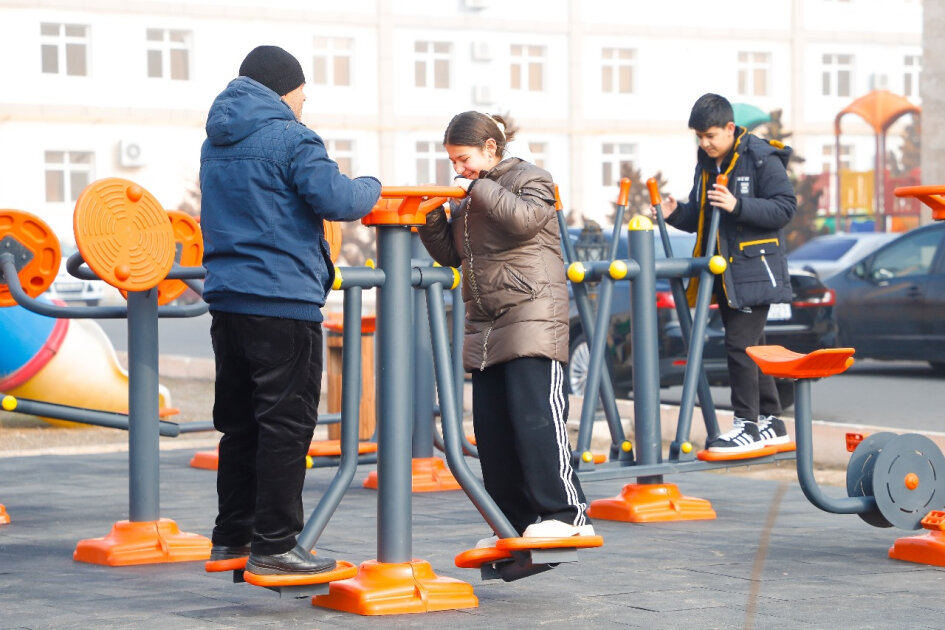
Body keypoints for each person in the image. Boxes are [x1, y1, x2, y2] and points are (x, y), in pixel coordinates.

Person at [199, 45, 382, 575]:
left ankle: (232, 537)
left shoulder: (216, 141)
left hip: (228, 302)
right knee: (286, 425)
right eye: (303, 93)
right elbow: (340, 201)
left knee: (241, 425)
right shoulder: (291, 137)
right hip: (282, 302)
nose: (305, 102)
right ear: (286, 89)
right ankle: (276, 545)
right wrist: (371, 185)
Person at [418, 111, 593, 543]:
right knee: (492, 432)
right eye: (453, 162)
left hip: (531, 314)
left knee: (536, 421)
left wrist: (476, 188)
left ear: (490, 148)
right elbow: (451, 255)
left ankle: (566, 514)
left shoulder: (531, 178)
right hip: (486, 324)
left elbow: (525, 221)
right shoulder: (472, 194)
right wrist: (432, 216)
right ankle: (514, 523)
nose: (458, 169)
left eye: (463, 159)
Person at [653, 93, 795, 453]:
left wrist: (739, 205)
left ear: (730, 128)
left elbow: (785, 208)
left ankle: (747, 424)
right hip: (724, 272)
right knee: (752, 347)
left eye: (711, 135)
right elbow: (704, 217)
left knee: (740, 347)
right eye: (699, 136)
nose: (705, 143)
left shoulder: (760, 157)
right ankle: (772, 421)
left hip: (754, 269)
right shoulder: (707, 164)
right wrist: (675, 213)